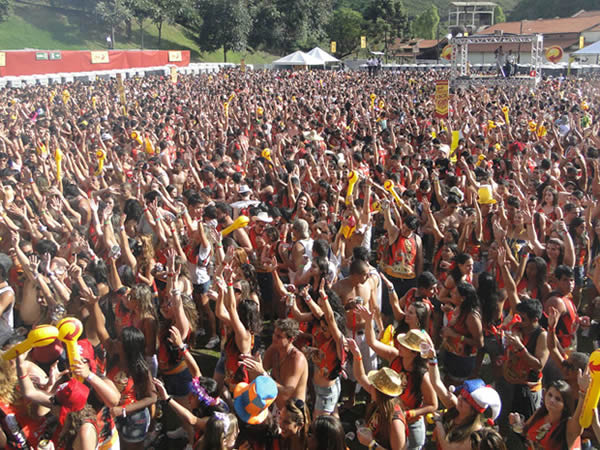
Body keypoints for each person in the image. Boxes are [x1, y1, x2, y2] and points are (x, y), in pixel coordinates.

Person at [509, 371, 590, 450]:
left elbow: (579, 420)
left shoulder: (568, 425)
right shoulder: (540, 413)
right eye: (550, 395)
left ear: (565, 405)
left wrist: (583, 392)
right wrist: (517, 423)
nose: (551, 400)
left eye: (558, 399)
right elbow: (525, 432)